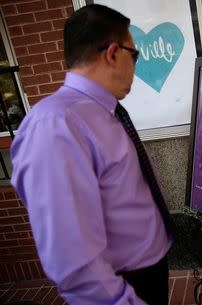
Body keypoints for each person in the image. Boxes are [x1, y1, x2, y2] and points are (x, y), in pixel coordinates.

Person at [10, 4, 172, 305]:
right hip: (123, 286)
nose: (135, 65)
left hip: (146, 272)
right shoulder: (56, 125)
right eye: (133, 55)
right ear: (112, 53)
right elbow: (72, 258)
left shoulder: (99, 111)